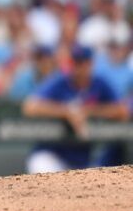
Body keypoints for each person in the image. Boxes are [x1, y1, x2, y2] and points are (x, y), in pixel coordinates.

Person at [22, 45, 128, 173]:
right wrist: (67, 111)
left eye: (83, 62)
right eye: (76, 62)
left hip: (84, 160)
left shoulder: (99, 83)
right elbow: (30, 107)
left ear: (91, 63)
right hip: (52, 153)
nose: (79, 67)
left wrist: (88, 111)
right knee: (41, 165)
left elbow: (122, 111)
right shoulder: (60, 81)